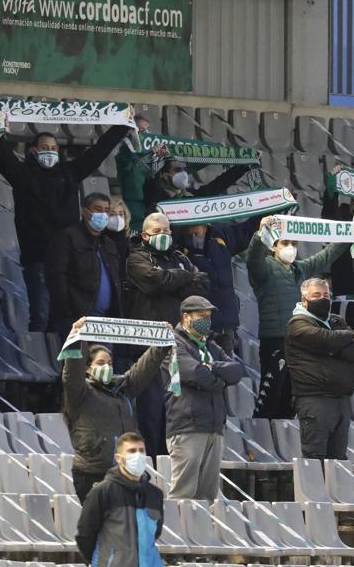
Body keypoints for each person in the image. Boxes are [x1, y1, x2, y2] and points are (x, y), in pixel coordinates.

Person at [0, 126, 129, 332]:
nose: (50, 151)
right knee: (41, 315)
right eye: (45, 147)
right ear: (33, 150)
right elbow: (1, 155)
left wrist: (121, 127)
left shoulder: (70, 173)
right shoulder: (22, 175)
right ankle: (41, 361)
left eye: (54, 148)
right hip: (38, 258)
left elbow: (98, 152)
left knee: (69, 316)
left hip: (71, 258)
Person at [123, 212, 209, 457]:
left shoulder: (179, 257)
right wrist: (183, 278)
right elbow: (153, 280)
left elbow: (203, 284)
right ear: (145, 234)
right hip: (149, 345)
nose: (163, 235)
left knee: (176, 409)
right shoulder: (136, 258)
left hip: (179, 344)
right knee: (151, 410)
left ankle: (172, 458)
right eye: (157, 231)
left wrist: (173, 281)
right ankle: (151, 459)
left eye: (167, 231)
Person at [247, 215, 349, 418]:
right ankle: (260, 441)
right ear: (274, 247)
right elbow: (253, 258)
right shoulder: (264, 268)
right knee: (270, 395)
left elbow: (327, 255)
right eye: (285, 243)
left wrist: (350, 233)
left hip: (300, 342)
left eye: (294, 243)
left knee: (291, 397)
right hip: (275, 340)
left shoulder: (300, 269)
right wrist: (261, 234)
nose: (290, 248)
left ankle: (279, 446)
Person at [63, 328, 168, 501]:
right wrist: (77, 337)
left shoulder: (122, 389)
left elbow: (143, 369)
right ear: (88, 369)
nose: (106, 367)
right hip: (92, 473)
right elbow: (71, 372)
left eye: (110, 363)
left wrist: (160, 344)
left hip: (124, 472)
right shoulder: (79, 392)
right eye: (100, 363)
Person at [165, 295, 244, 500]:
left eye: (208, 316)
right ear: (186, 317)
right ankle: (176, 532)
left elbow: (237, 370)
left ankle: (200, 532)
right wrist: (219, 380)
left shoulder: (210, 344)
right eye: (201, 316)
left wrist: (211, 367)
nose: (206, 320)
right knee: (183, 493)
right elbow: (193, 373)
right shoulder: (173, 341)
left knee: (207, 496)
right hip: (187, 425)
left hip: (214, 426)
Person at [286, 278, 354, 460]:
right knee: (315, 458)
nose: (322, 299)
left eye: (326, 295)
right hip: (315, 400)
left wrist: (332, 347)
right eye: (316, 295)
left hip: (341, 401)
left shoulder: (336, 321)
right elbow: (322, 338)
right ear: (304, 299)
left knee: (339, 461)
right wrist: (345, 338)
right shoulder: (297, 323)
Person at [75, 431, 164, 567]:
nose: (138, 455)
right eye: (131, 451)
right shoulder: (102, 492)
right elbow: (85, 535)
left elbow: (155, 533)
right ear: (118, 458)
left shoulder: (155, 494)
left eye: (141, 451)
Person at [45, 193, 123, 337]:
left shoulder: (109, 244)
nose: (103, 214)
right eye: (98, 209)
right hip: (75, 321)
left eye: (106, 211)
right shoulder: (66, 238)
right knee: (77, 360)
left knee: (103, 359)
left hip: (106, 322)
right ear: (85, 211)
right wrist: (67, 312)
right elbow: (56, 277)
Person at [176, 218, 255, 353]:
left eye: (198, 230)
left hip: (225, 325)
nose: (196, 235)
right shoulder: (178, 251)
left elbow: (247, 230)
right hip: (198, 327)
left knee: (227, 367)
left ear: (206, 227)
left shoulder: (220, 239)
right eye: (191, 231)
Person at [141, 158, 250, 217]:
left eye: (184, 170)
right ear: (164, 174)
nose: (183, 173)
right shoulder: (155, 196)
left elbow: (217, 186)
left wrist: (244, 166)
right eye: (177, 170)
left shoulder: (190, 196)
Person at [115, 115, 159, 227]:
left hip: (150, 205)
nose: (147, 133)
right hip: (133, 206)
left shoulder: (151, 154)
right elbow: (125, 162)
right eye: (142, 130)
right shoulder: (124, 154)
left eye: (148, 129)